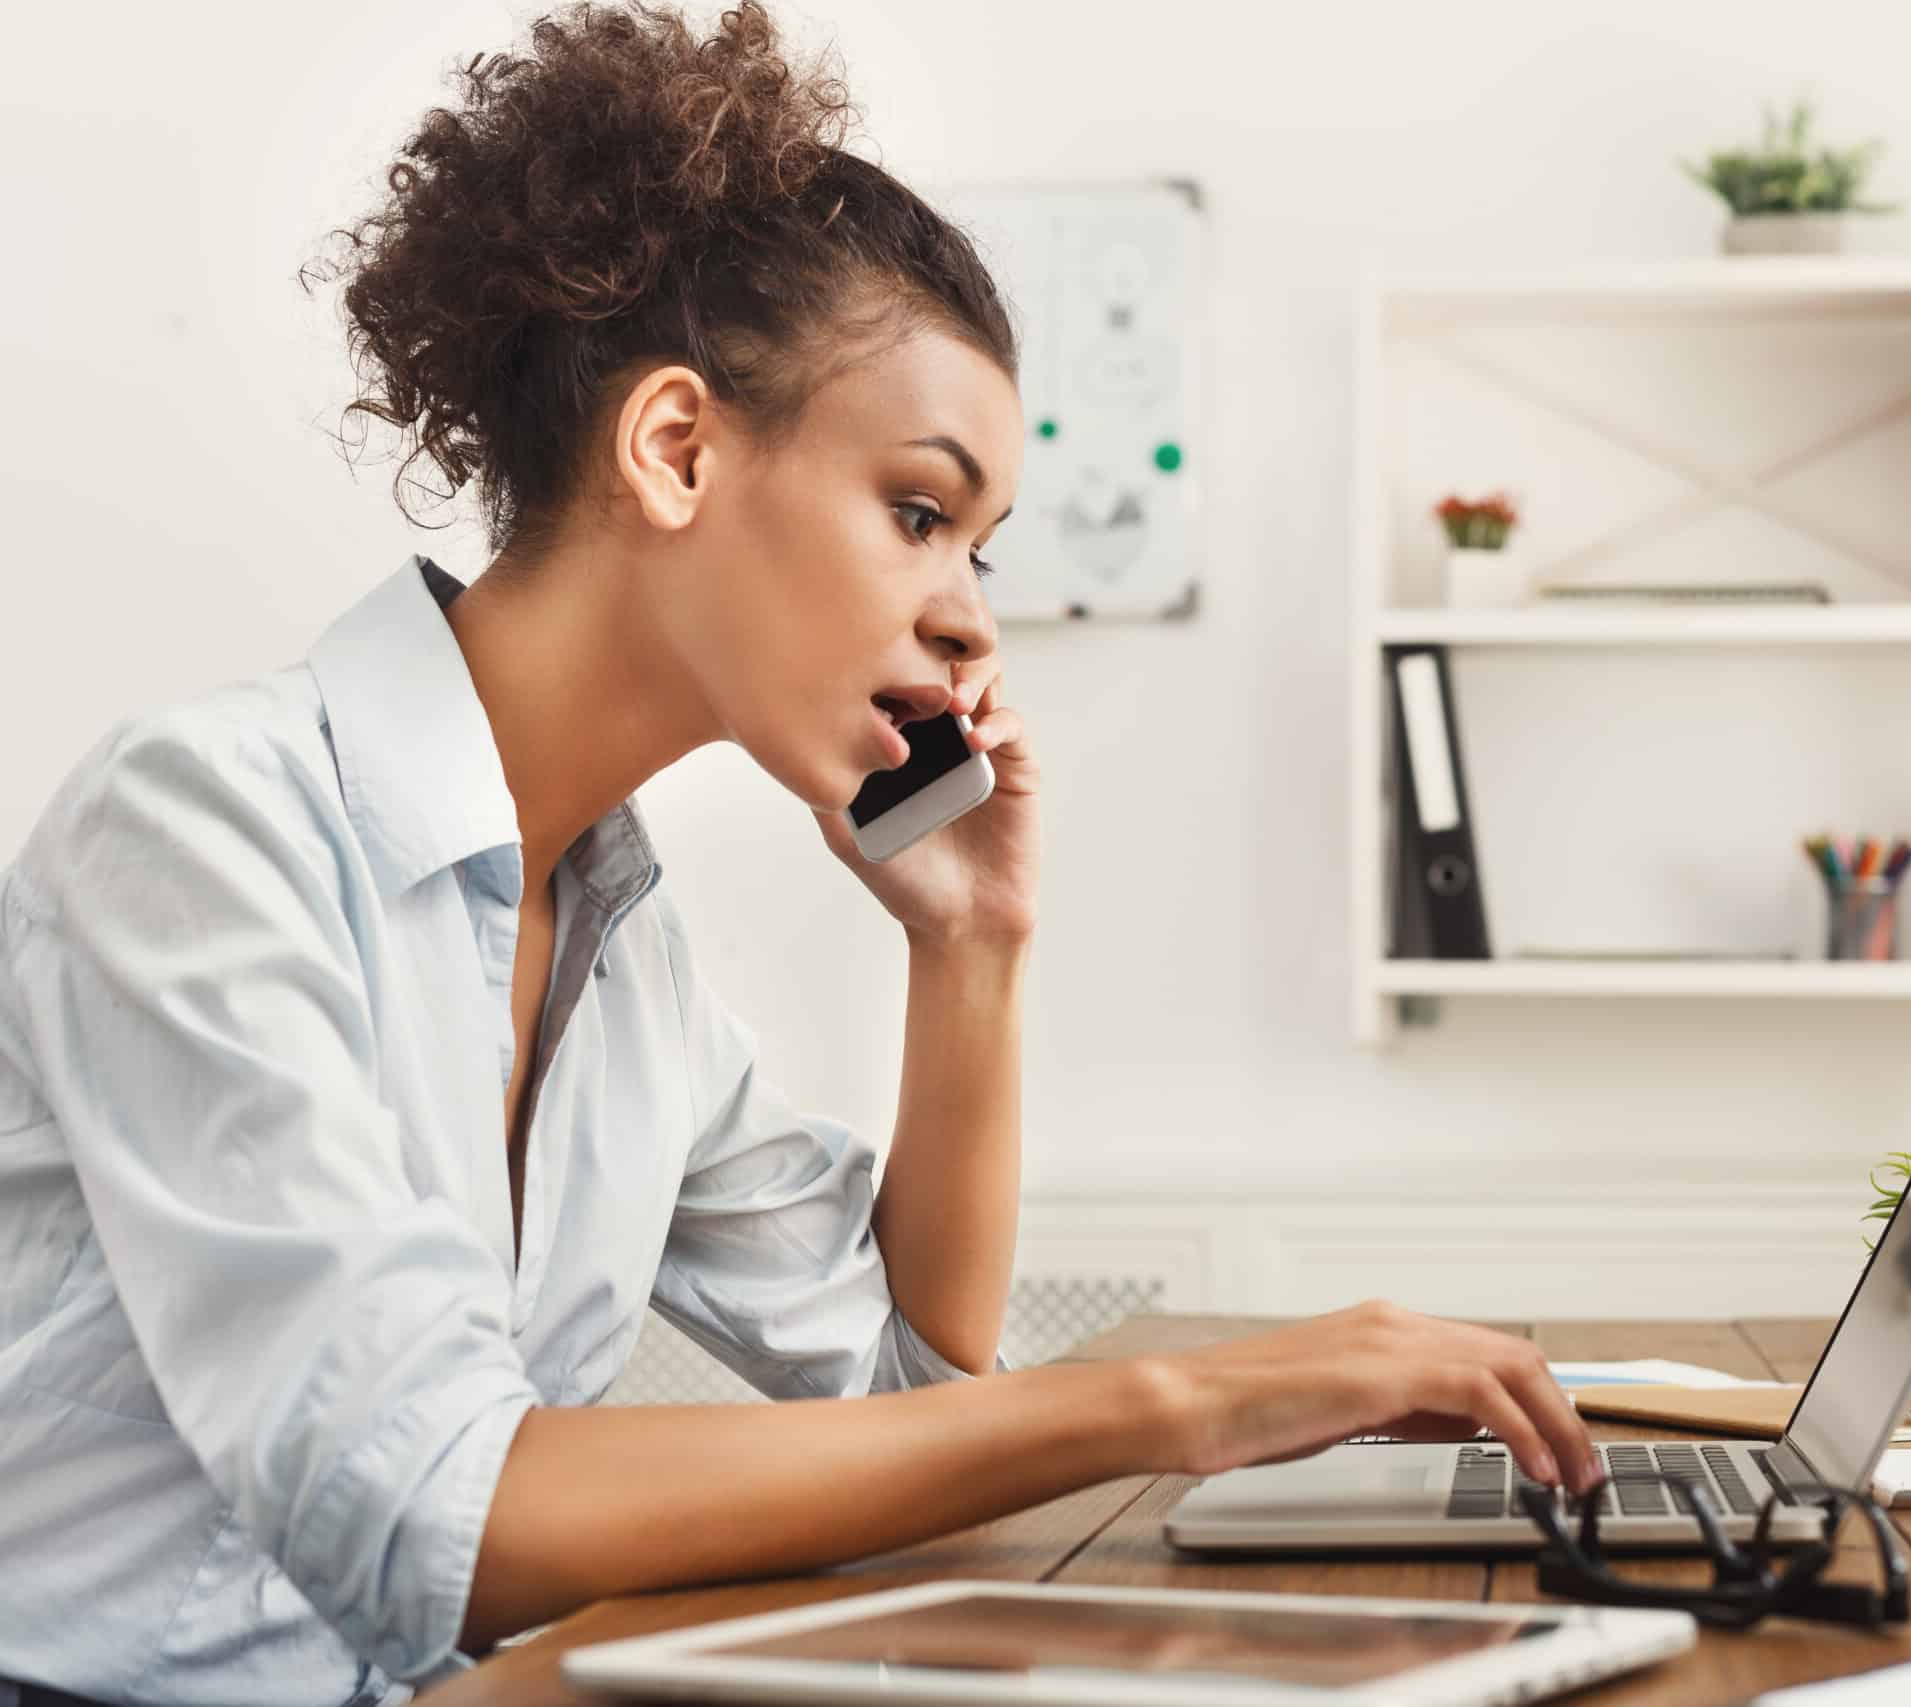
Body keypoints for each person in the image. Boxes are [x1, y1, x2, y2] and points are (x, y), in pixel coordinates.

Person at [0, 4, 1599, 1701]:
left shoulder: (620, 947)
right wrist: (1179, 1404)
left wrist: (967, 951)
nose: (967, 620)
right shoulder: (200, 828)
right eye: (921, 514)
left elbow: (914, 1400)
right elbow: (436, 1512)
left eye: (978, 550)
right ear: (675, 448)